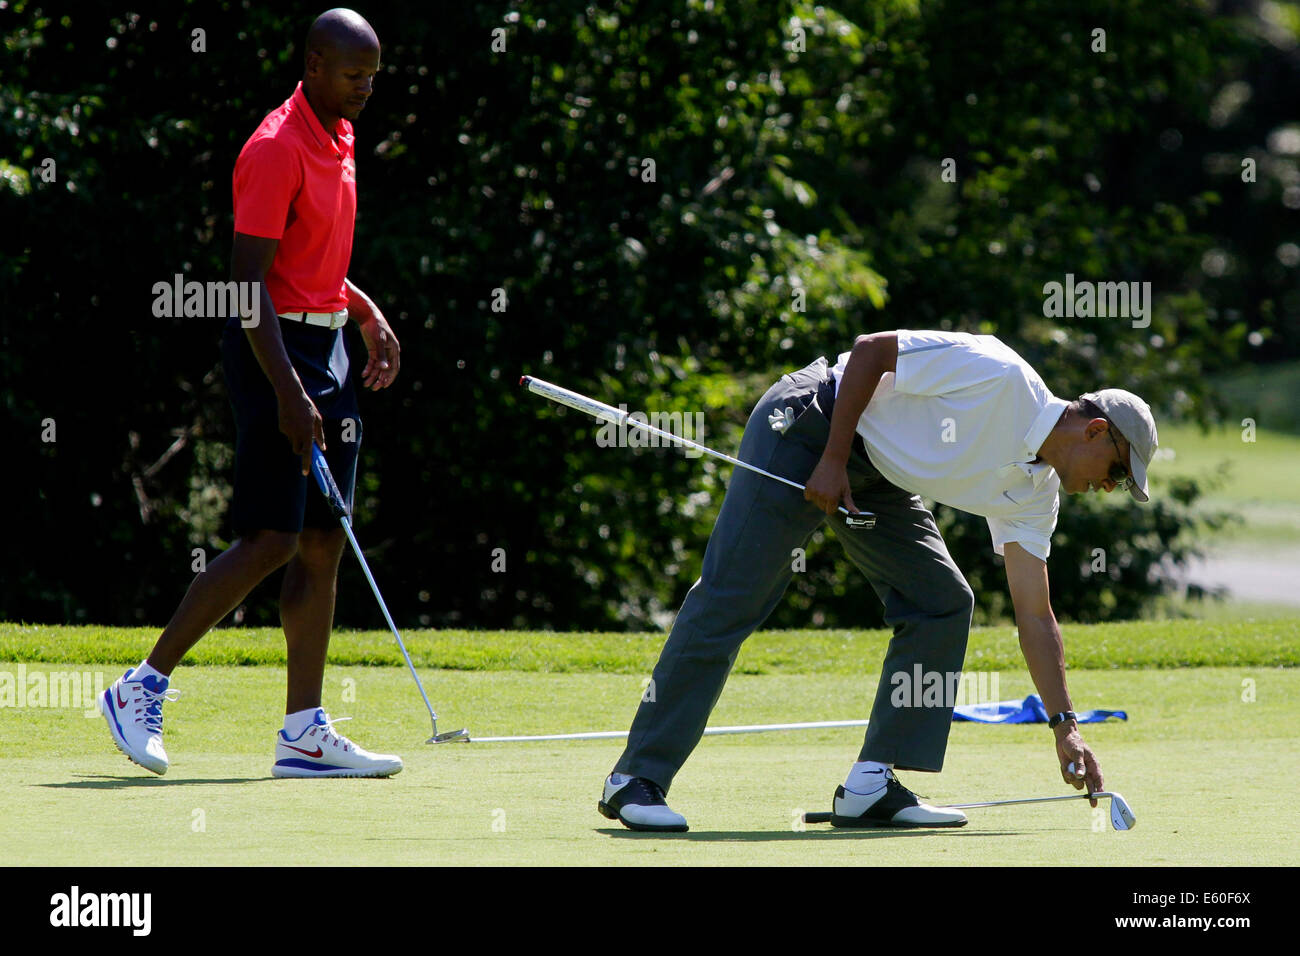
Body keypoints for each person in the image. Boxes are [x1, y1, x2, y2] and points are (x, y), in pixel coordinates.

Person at [599, 329, 1158, 831]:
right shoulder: (1001, 375)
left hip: (878, 474)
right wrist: (833, 458)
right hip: (812, 423)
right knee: (735, 595)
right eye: (1116, 472)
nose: (1111, 487)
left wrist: (1065, 725)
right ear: (1096, 431)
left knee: (939, 602)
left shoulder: (1037, 495)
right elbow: (870, 352)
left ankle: (869, 787)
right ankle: (636, 778)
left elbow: (1035, 614)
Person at [99, 9, 404, 778]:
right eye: (353, 74)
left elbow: (316, 262)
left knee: (324, 541)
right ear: (312, 63)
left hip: (327, 344)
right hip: (273, 350)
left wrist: (364, 314)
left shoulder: (340, 131)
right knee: (271, 538)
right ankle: (141, 684)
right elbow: (244, 288)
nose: (367, 88)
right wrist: (289, 391)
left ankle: (304, 732)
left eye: (373, 75)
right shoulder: (273, 148)